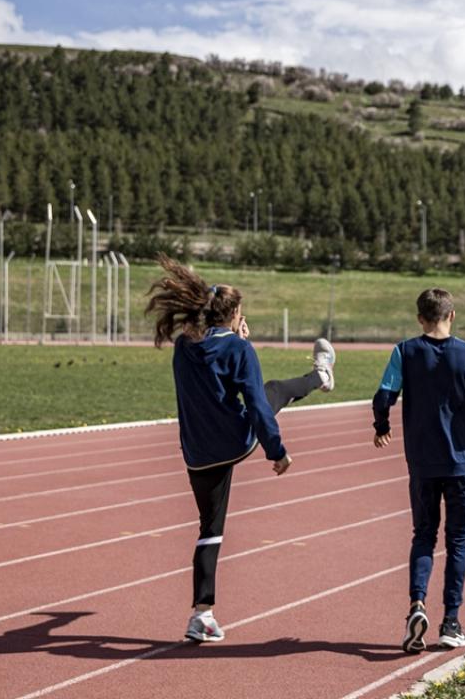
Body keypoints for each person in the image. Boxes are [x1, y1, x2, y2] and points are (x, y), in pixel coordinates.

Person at [146, 254, 336, 643]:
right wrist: (277, 452)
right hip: (234, 441)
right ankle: (319, 375)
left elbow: (211, 360)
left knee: (209, 531)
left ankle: (202, 615)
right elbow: (257, 408)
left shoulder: (183, 346)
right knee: (273, 392)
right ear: (235, 314)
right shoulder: (238, 351)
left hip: (196, 451)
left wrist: (236, 340)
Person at [372, 288, 465, 654]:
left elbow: (384, 394)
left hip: (422, 460)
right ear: (452, 316)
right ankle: (451, 620)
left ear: (420, 318)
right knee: (457, 540)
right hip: (461, 462)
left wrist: (381, 425)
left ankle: (416, 604)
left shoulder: (404, 352)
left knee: (423, 535)